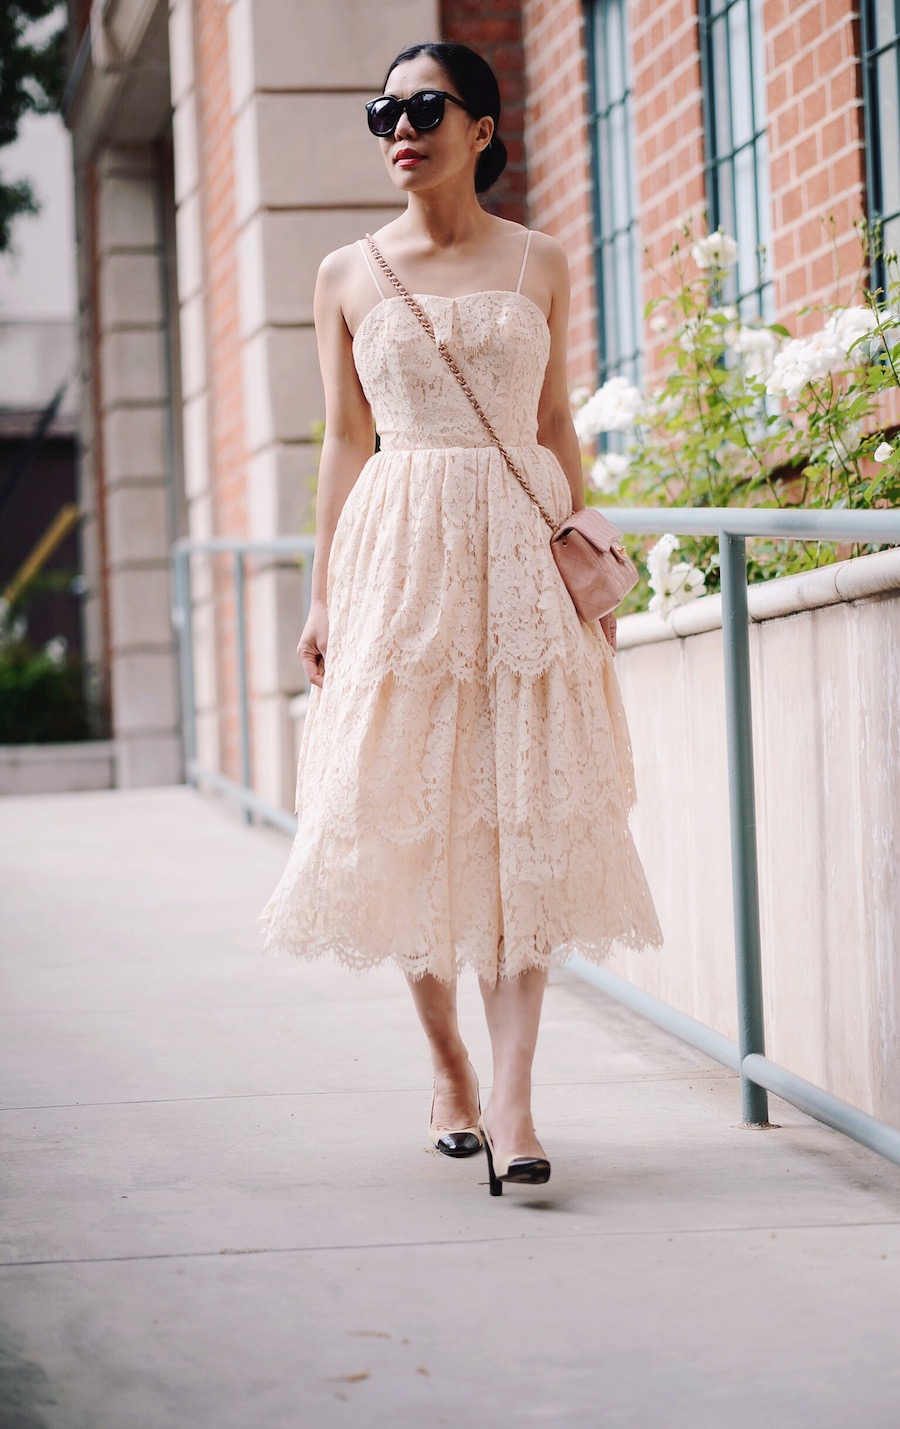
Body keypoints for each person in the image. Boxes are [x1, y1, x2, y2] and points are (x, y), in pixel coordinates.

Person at [259, 40, 663, 1197]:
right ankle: (448, 1067)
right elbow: (344, 440)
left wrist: (590, 564)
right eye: (383, 108)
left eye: (425, 107)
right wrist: (325, 587)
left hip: (520, 557)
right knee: (398, 813)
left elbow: (552, 419)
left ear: (483, 128)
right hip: (397, 552)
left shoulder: (541, 260)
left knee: (522, 817)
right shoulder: (344, 273)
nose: (401, 127)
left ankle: (520, 1101)